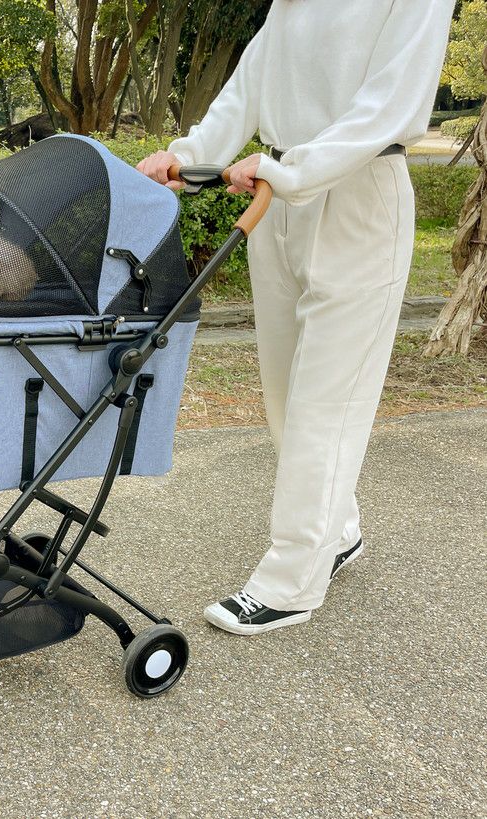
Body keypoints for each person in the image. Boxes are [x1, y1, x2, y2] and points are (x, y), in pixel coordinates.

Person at [137, 0, 456, 635]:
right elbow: (252, 81)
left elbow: (392, 103)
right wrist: (188, 155)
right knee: (284, 391)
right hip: (275, 197)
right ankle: (337, 529)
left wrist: (295, 169)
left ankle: (292, 578)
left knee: (327, 400)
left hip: (356, 192)